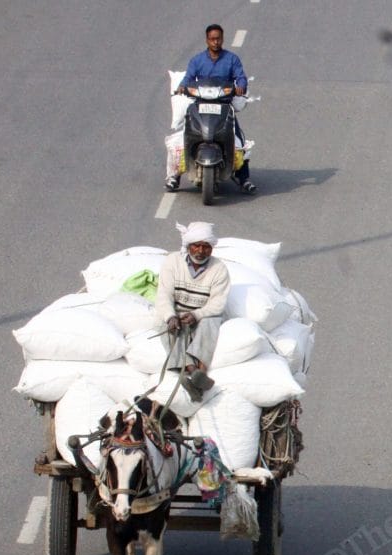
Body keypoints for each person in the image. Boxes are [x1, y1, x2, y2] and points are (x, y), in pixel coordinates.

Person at [168, 24, 255, 194]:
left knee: (239, 140)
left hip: (223, 105)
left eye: (218, 39)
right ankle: (174, 177)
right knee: (182, 138)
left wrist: (241, 86)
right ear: (207, 40)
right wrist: (182, 87)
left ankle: (244, 178)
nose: (216, 42)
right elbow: (188, 78)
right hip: (200, 105)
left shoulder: (232, 60)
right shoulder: (197, 61)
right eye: (212, 39)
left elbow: (241, 77)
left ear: (222, 39)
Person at [155, 221, 231, 402]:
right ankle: (192, 371)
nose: (201, 251)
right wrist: (171, 317)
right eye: (196, 246)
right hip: (177, 313)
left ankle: (201, 373)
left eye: (206, 247)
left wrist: (197, 315)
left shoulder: (219, 269)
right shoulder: (173, 261)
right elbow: (164, 295)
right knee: (165, 326)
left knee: (211, 322)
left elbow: (218, 303)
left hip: (202, 314)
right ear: (189, 246)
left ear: (211, 248)